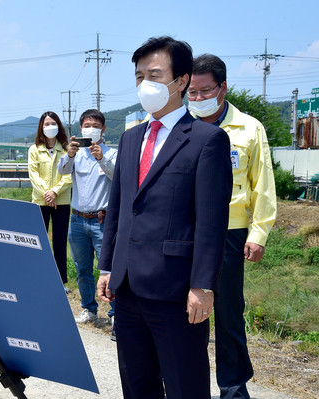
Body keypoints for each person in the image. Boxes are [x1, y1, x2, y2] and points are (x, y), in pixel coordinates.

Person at [97, 36, 232, 399]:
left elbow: (211, 222)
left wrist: (203, 286)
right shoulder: (130, 139)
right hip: (126, 288)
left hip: (176, 289)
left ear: (182, 81)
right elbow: (120, 208)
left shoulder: (207, 140)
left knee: (185, 384)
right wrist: (107, 267)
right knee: (137, 384)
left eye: (155, 75)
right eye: (140, 76)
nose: (145, 84)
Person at [189, 54, 277, 399]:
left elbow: (263, 186)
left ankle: (233, 389)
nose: (197, 99)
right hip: (186, 234)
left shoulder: (249, 128)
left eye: (204, 91)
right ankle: (187, 385)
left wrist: (259, 233)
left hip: (229, 235)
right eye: (191, 92)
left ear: (222, 88)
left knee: (228, 317)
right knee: (185, 314)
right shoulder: (181, 125)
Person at [58, 109, 117, 324]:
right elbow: (62, 170)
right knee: (82, 269)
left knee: (108, 268)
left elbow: (117, 176)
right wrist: (70, 153)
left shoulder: (111, 153)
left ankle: (114, 312)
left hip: (103, 220)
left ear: (102, 129)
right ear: (81, 128)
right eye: (86, 125)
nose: (90, 129)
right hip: (77, 220)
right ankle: (88, 308)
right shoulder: (76, 155)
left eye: (95, 125)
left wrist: (101, 159)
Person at [28, 111, 72, 287]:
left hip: (61, 202)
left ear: (59, 125)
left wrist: (55, 192)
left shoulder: (67, 148)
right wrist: (47, 193)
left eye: (53, 123)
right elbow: (34, 175)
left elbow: (69, 176)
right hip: (40, 202)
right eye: (46, 124)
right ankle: (38, 278)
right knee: (38, 241)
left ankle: (61, 282)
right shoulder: (34, 149)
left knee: (60, 243)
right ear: (41, 127)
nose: (50, 127)